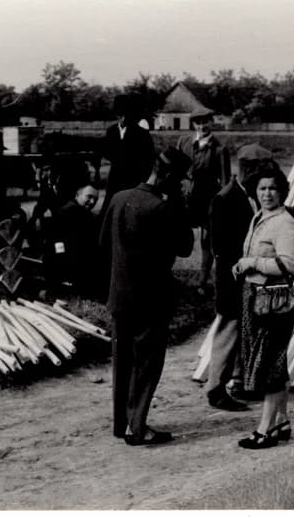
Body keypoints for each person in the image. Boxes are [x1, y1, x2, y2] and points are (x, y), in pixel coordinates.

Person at [206, 143, 294, 412]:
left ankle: (240, 383)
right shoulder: (225, 198)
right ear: (248, 168)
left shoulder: (254, 195)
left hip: (251, 283)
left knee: (246, 336)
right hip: (234, 282)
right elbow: (220, 247)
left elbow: (285, 216)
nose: (266, 183)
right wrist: (247, 266)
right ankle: (216, 389)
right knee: (227, 336)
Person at [99, 146, 193, 446]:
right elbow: (185, 246)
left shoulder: (118, 198)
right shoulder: (161, 208)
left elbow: (102, 243)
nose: (179, 185)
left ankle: (122, 424)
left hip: (119, 296)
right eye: (178, 180)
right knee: (146, 365)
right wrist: (178, 203)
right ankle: (136, 428)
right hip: (150, 300)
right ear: (166, 176)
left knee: (122, 362)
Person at [231, 165, 294, 450]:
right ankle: (282, 420)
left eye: (272, 188)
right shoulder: (261, 217)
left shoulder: (284, 222)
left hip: (272, 302)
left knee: (270, 362)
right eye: (262, 188)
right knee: (274, 361)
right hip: (255, 299)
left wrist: (252, 263)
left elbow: (289, 265)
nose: (267, 193)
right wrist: (242, 265)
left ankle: (265, 430)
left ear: (282, 191)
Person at [176, 106, 231, 294]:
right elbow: (174, 172)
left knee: (208, 241)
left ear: (212, 122)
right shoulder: (183, 142)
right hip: (185, 200)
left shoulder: (219, 149)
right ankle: (166, 275)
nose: (202, 126)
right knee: (173, 234)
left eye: (206, 121)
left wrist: (221, 205)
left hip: (208, 201)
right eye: (198, 122)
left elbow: (225, 183)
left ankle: (202, 281)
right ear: (193, 124)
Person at [41, 184, 101, 297]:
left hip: (74, 257)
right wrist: (62, 258)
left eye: (95, 199)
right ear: (78, 195)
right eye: (89, 197)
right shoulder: (67, 211)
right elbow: (56, 239)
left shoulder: (87, 215)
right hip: (60, 258)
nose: (92, 201)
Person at [100, 94, 156, 214]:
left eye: (127, 115)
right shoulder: (111, 131)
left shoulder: (142, 134)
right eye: (121, 115)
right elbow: (107, 151)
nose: (124, 119)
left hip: (133, 180)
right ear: (117, 115)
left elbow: (149, 161)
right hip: (114, 179)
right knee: (109, 210)